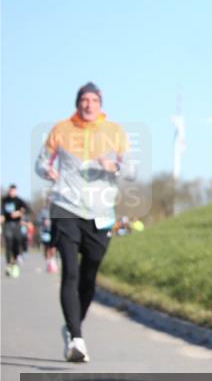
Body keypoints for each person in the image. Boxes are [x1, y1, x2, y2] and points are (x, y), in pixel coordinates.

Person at [35, 82, 136, 362]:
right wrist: (49, 172)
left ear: (101, 104)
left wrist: (114, 166)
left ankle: (71, 327)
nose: (88, 104)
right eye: (84, 99)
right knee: (70, 272)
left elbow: (132, 170)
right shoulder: (61, 129)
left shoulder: (115, 132)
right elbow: (41, 162)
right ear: (77, 103)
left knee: (89, 276)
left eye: (93, 100)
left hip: (101, 212)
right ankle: (77, 340)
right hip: (66, 207)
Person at [2, 184, 31, 278]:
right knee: (8, 242)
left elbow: (27, 209)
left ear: (16, 191)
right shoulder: (4, 200)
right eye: (10, 190)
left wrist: (19, 213)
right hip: (7, 224)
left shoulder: (19, 201)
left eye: (13, 191)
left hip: (17, 224)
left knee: (16, 243)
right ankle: (8, 265)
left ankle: (14, 262)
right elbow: (1, 211)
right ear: (9, 191)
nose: (12, 192)